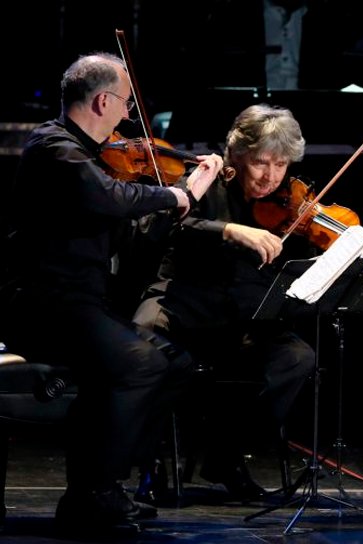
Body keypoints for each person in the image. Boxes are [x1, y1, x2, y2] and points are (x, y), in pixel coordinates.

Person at [0, 52, 223, 531]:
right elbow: (110, 197)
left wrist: (185, 193)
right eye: (126, 103)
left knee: (174, 364)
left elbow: (127, 226)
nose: (128, 115)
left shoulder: (92, 159)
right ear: (103, 101)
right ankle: (92, 495)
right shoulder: (54, 147)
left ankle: (104, 482)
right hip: (41, 304)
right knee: (140, 362)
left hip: (80, 305)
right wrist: (175, 194)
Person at [132, 103, 363, 503]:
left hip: (244, 316)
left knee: (296, 359)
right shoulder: (204, 178)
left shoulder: (289, 202)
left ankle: (225, 455)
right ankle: (149, 462)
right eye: (260, 163)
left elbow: (328, 238)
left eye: (281, 164)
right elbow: (162, 226)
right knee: (142, 342)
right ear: (237, 154)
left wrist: (361, 249)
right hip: (182, 303)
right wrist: (229, 230)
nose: (271, 176)